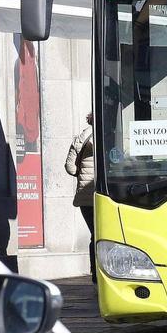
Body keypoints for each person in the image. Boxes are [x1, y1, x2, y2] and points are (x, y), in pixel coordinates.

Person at [65, 112, 97, 283]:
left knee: (95, 234)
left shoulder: (81, 138)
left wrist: (81, 172)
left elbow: (70, 167)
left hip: (86, 196)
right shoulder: (109, 134)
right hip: (107, 194)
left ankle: (95, 274)